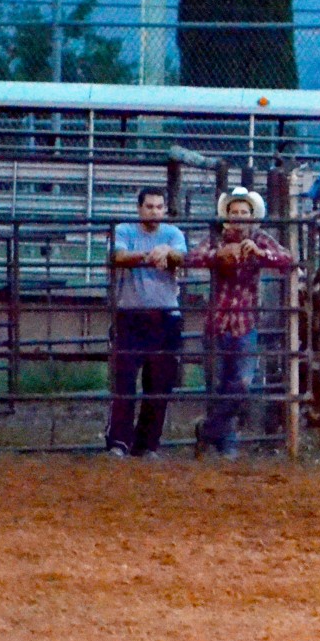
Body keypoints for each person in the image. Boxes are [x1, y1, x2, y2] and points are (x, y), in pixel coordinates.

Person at [186, 187, 294, 459]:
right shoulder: (216, 239)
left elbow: (287, 260)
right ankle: (226, 444)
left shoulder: (259, 240)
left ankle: (209, 431)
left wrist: (259, 254)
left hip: (245, 322)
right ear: (228, 215)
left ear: (251, 216)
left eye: (243, 212)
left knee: (241, 384)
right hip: (218, 323)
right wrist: (217, 256)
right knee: (220, 385)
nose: (238, 217)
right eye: (234, 212)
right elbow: (192, 258)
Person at [106, 187, 186, 457]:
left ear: (164, 209)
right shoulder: (125, 231)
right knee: (124, 381)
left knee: (160, 384)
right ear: (139, 208)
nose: (154, 211)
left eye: (158, 207)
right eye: (149, 206)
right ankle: (119, 441)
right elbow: (117, 256)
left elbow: (182, 256)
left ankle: (147, 443)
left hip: (164, 316)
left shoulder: (173, 235)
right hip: (131, 315)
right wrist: (150, 255)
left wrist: (166, 252)